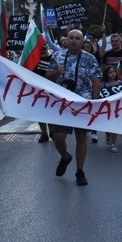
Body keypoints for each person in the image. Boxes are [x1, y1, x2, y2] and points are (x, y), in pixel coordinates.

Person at [45, 29, 102, 186]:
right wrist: (57, 72)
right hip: (63, 104)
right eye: (71, 38)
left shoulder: (89, 58)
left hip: (83, 103)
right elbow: (47, 76)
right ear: (67, 39)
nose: (74, 41)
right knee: (58, 137)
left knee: (81, 137)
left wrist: (94, 103)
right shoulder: (58, 56)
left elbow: (96, 80)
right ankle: (65, 157)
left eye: (77, 38)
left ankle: (80, 171)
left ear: (82, 41)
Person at [100, 64, 122, 153]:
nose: (112, 74)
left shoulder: (121, 83)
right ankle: (108, 135)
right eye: (110, 72)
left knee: (114, 126)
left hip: (117, 109)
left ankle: (113, 144)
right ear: (106, 74)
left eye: (113, 72)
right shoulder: (103, 85)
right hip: (107, 109)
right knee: (108, 126)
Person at [32, 44, 55, 143]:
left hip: (50, 89)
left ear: (47, 48)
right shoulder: (33, 58)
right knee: (39, 112)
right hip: (37, 88)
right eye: (40, 48)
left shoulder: (52, 58)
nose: (42, 50)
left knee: (50, 111)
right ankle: (44, 133)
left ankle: (52, 131)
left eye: (44, 48)